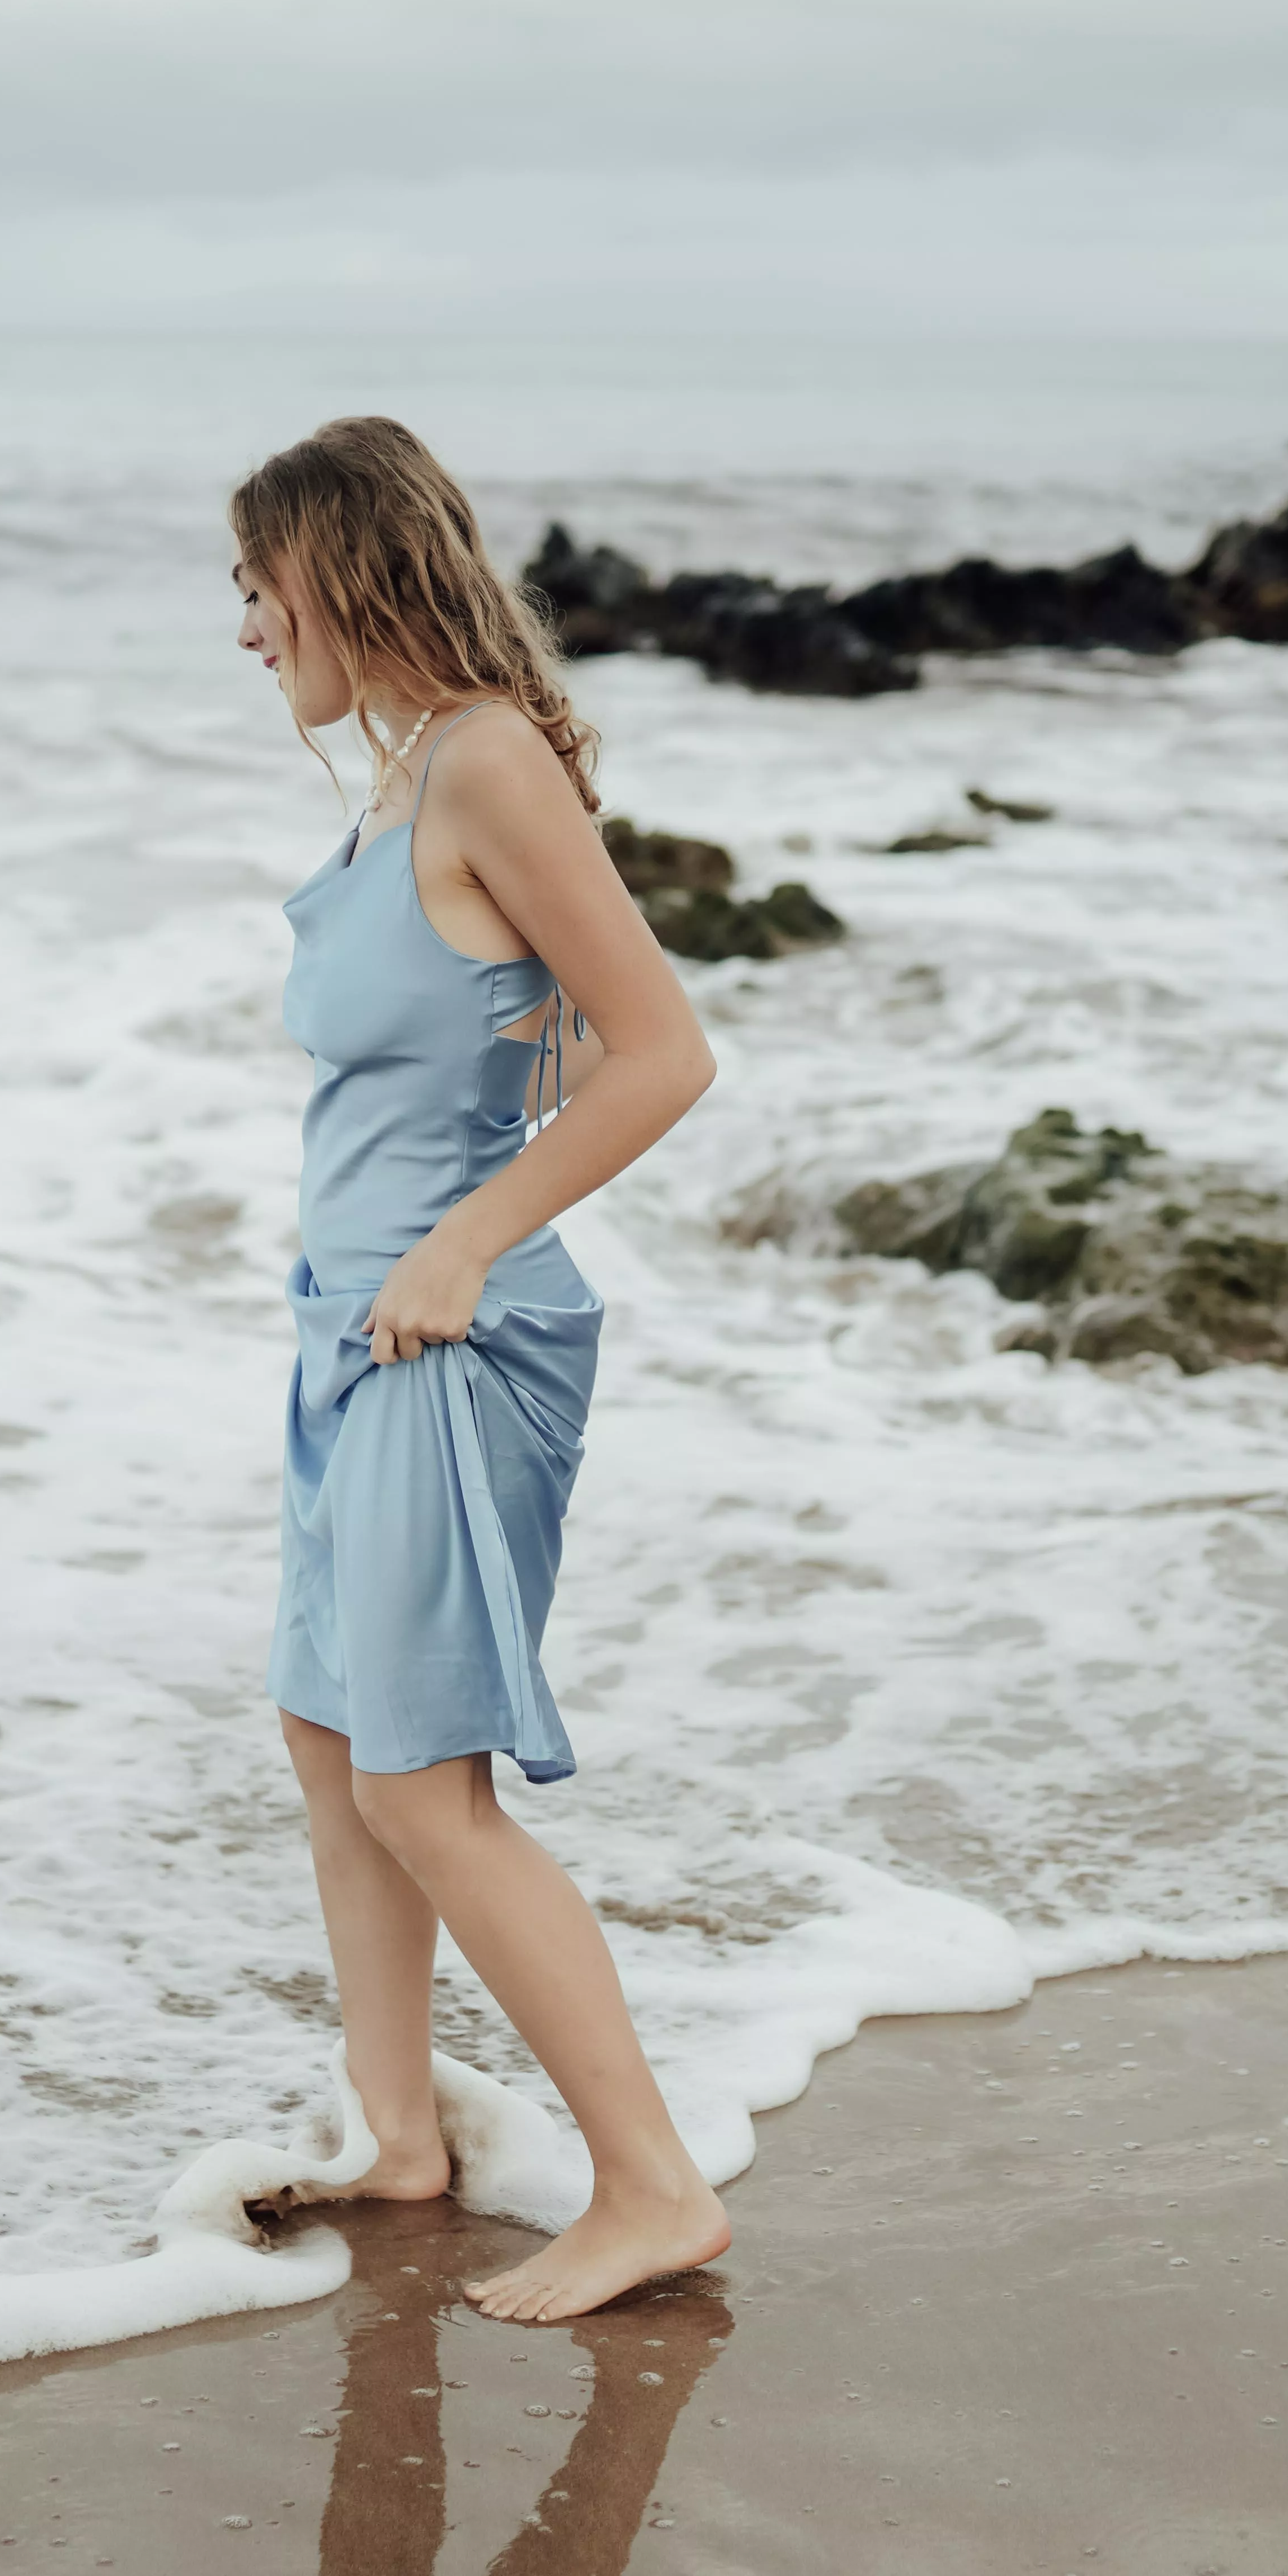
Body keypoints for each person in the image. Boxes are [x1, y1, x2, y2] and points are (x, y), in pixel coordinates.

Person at [229, 414, 731, 2324]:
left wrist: (458, 1244)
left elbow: (662, 1049)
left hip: (450, 1337)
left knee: (427, 1787)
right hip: (347, 1332)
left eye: (256, 589)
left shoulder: (489, 766)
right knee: (328, 1736)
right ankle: (403, 2138)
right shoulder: (400, 781)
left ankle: (650, 2184)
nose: (249, 632)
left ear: (338, 571)